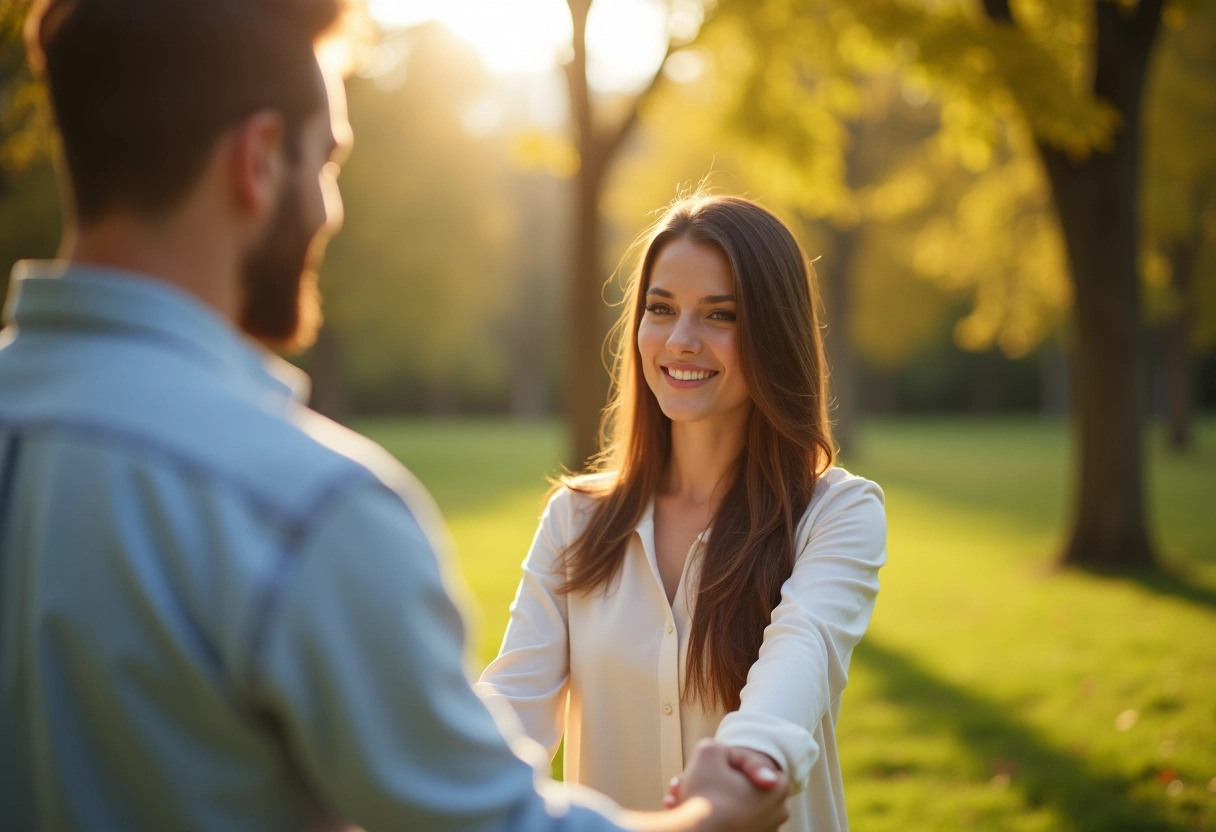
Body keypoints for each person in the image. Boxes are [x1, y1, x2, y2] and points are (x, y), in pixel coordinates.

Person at [0, 2, 791, 831]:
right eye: (329, 162)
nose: (329, 208)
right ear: (259, 159)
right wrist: (709, 819)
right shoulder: (306, 513)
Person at [476, 194, 888, 832]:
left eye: (719, 315)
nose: (681, 341)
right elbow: (510, 708)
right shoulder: (575, 520)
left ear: (773, 335)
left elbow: (794, 670)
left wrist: (737, 779)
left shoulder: (835, 514)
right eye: (660, 309)